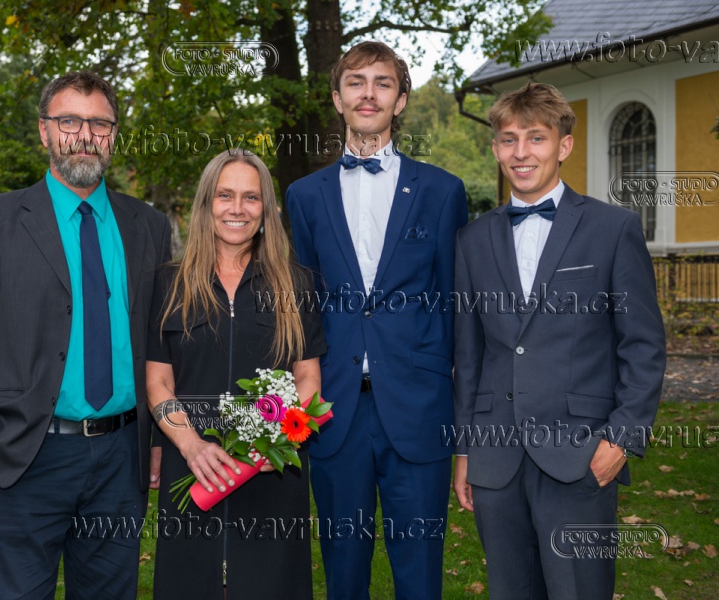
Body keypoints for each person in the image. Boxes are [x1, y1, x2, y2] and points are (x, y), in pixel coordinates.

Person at [0, 71, 171, 599]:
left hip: (120, 461)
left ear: (113, 135)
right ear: (44, 130)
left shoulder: (147, 226)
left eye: (99, 124)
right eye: (69, 121)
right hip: (23, 457)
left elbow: (160, 341)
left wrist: (157, 440)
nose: (85, 135)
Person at [453, 82, 666, 599]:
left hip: (581, 454)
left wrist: (620, 441)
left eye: (536, 138)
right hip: (495, 459)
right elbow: (469, 354)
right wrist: (464, 450)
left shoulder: (613, 229)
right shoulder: (472, 239)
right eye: (508, 139)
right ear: (496, 148)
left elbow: (642, 346)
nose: (521, 152)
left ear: (563, 145)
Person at [285, 41, 468, 599]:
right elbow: (304, 304)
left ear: (401, 99)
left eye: (382, 83)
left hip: (418, 407)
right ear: (337, 98)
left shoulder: (442, 191)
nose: (369, 94)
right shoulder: (304, 196)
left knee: (420, 572)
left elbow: (453, 304)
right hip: (334, 410)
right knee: (343, 573)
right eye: (356, 82)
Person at [146, 150, 326, 599]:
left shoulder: (296, 284)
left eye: (251, 197)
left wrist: (277, 440)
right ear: (206, 203)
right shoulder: (169, 283)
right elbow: (158, 383)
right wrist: (190, 446)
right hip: (193, 468)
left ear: (266, 209)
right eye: (225, 195)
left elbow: (308, 378)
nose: (237, 208)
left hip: (271, 472)